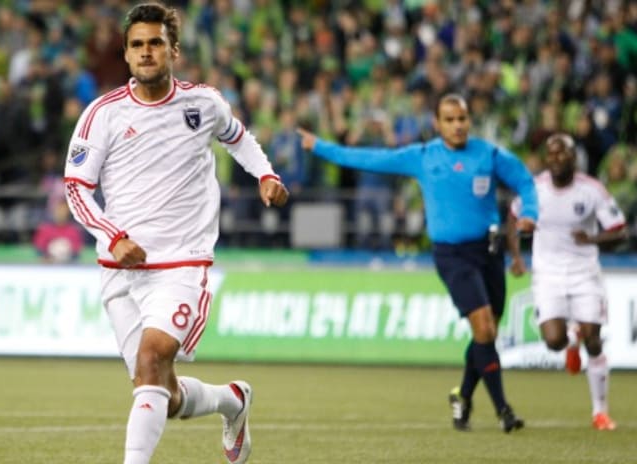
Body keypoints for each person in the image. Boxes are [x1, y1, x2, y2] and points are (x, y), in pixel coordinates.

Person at [62, 3, 289, 463]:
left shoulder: (203, 104)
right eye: (138, 45)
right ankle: (233, 401)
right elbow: (77, 187)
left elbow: (239, 137)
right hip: (120, 269)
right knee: (161, 393)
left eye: (156, 44)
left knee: (152, 359)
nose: (147, 52)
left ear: (174, 50)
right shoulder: (101, 115)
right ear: (126, 55)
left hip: (182, 261)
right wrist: (113, 236)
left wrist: (265, 174)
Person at [298, 93, 537, 433]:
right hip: (452, 255)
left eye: (462, 118)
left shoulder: (488, 154)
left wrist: (530, 213)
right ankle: (504, 411)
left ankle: (462, 396)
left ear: (469, 120)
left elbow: (525, 181)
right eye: (450, 120)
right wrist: (321, 147)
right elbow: (368, 158)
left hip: (489, 250)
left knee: (486, 333)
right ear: (437, 125)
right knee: (484, 328)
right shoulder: (423, 157)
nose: (457, 125)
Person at [507, 133, 626, 431]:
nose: (556, 159)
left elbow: (619, 229)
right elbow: (512, 219)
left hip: (584, 272)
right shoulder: (534, 189)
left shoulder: (591, 190)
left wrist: (593, 238)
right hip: (547, 275)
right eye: (551, 154)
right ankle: (570, 343)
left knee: (595, 340)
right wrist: (517, 258)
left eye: (562, 154)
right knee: (553, 341)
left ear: (574, 158)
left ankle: (600, 412)